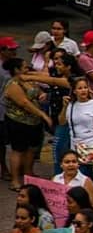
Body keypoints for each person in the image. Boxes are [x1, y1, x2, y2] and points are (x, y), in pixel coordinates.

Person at [3, 57, 54, 190]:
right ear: (16, 70)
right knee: (18, 150)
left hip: (33, 122)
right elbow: (25, 103)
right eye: (25, 67)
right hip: (18, 122)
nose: (28, 68)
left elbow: (37, 91)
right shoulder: (13, 85)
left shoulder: (27, 80)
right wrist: (43, 115)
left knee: (32, 149)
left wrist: (42, 94)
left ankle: (28, 173)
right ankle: (15, 180)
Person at [60, 75, 93, 179]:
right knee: (81, 175)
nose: (83, 91)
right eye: (80, 88)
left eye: (85, 87)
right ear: (74, 91)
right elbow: (62, 122)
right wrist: (64, 107)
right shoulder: (71, 105)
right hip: (77, 145)